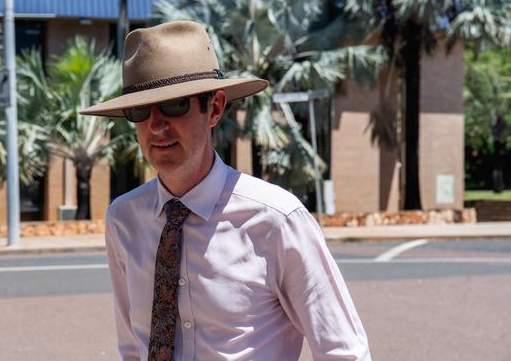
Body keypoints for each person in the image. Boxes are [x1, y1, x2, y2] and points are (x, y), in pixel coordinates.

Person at [81, 20, 371, 361]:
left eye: (174, 105)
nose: (156, 125)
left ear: (214, 109)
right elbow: (132, 347)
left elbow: (343, 351)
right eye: (140, 110)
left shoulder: (277, 220)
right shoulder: (124, 218)